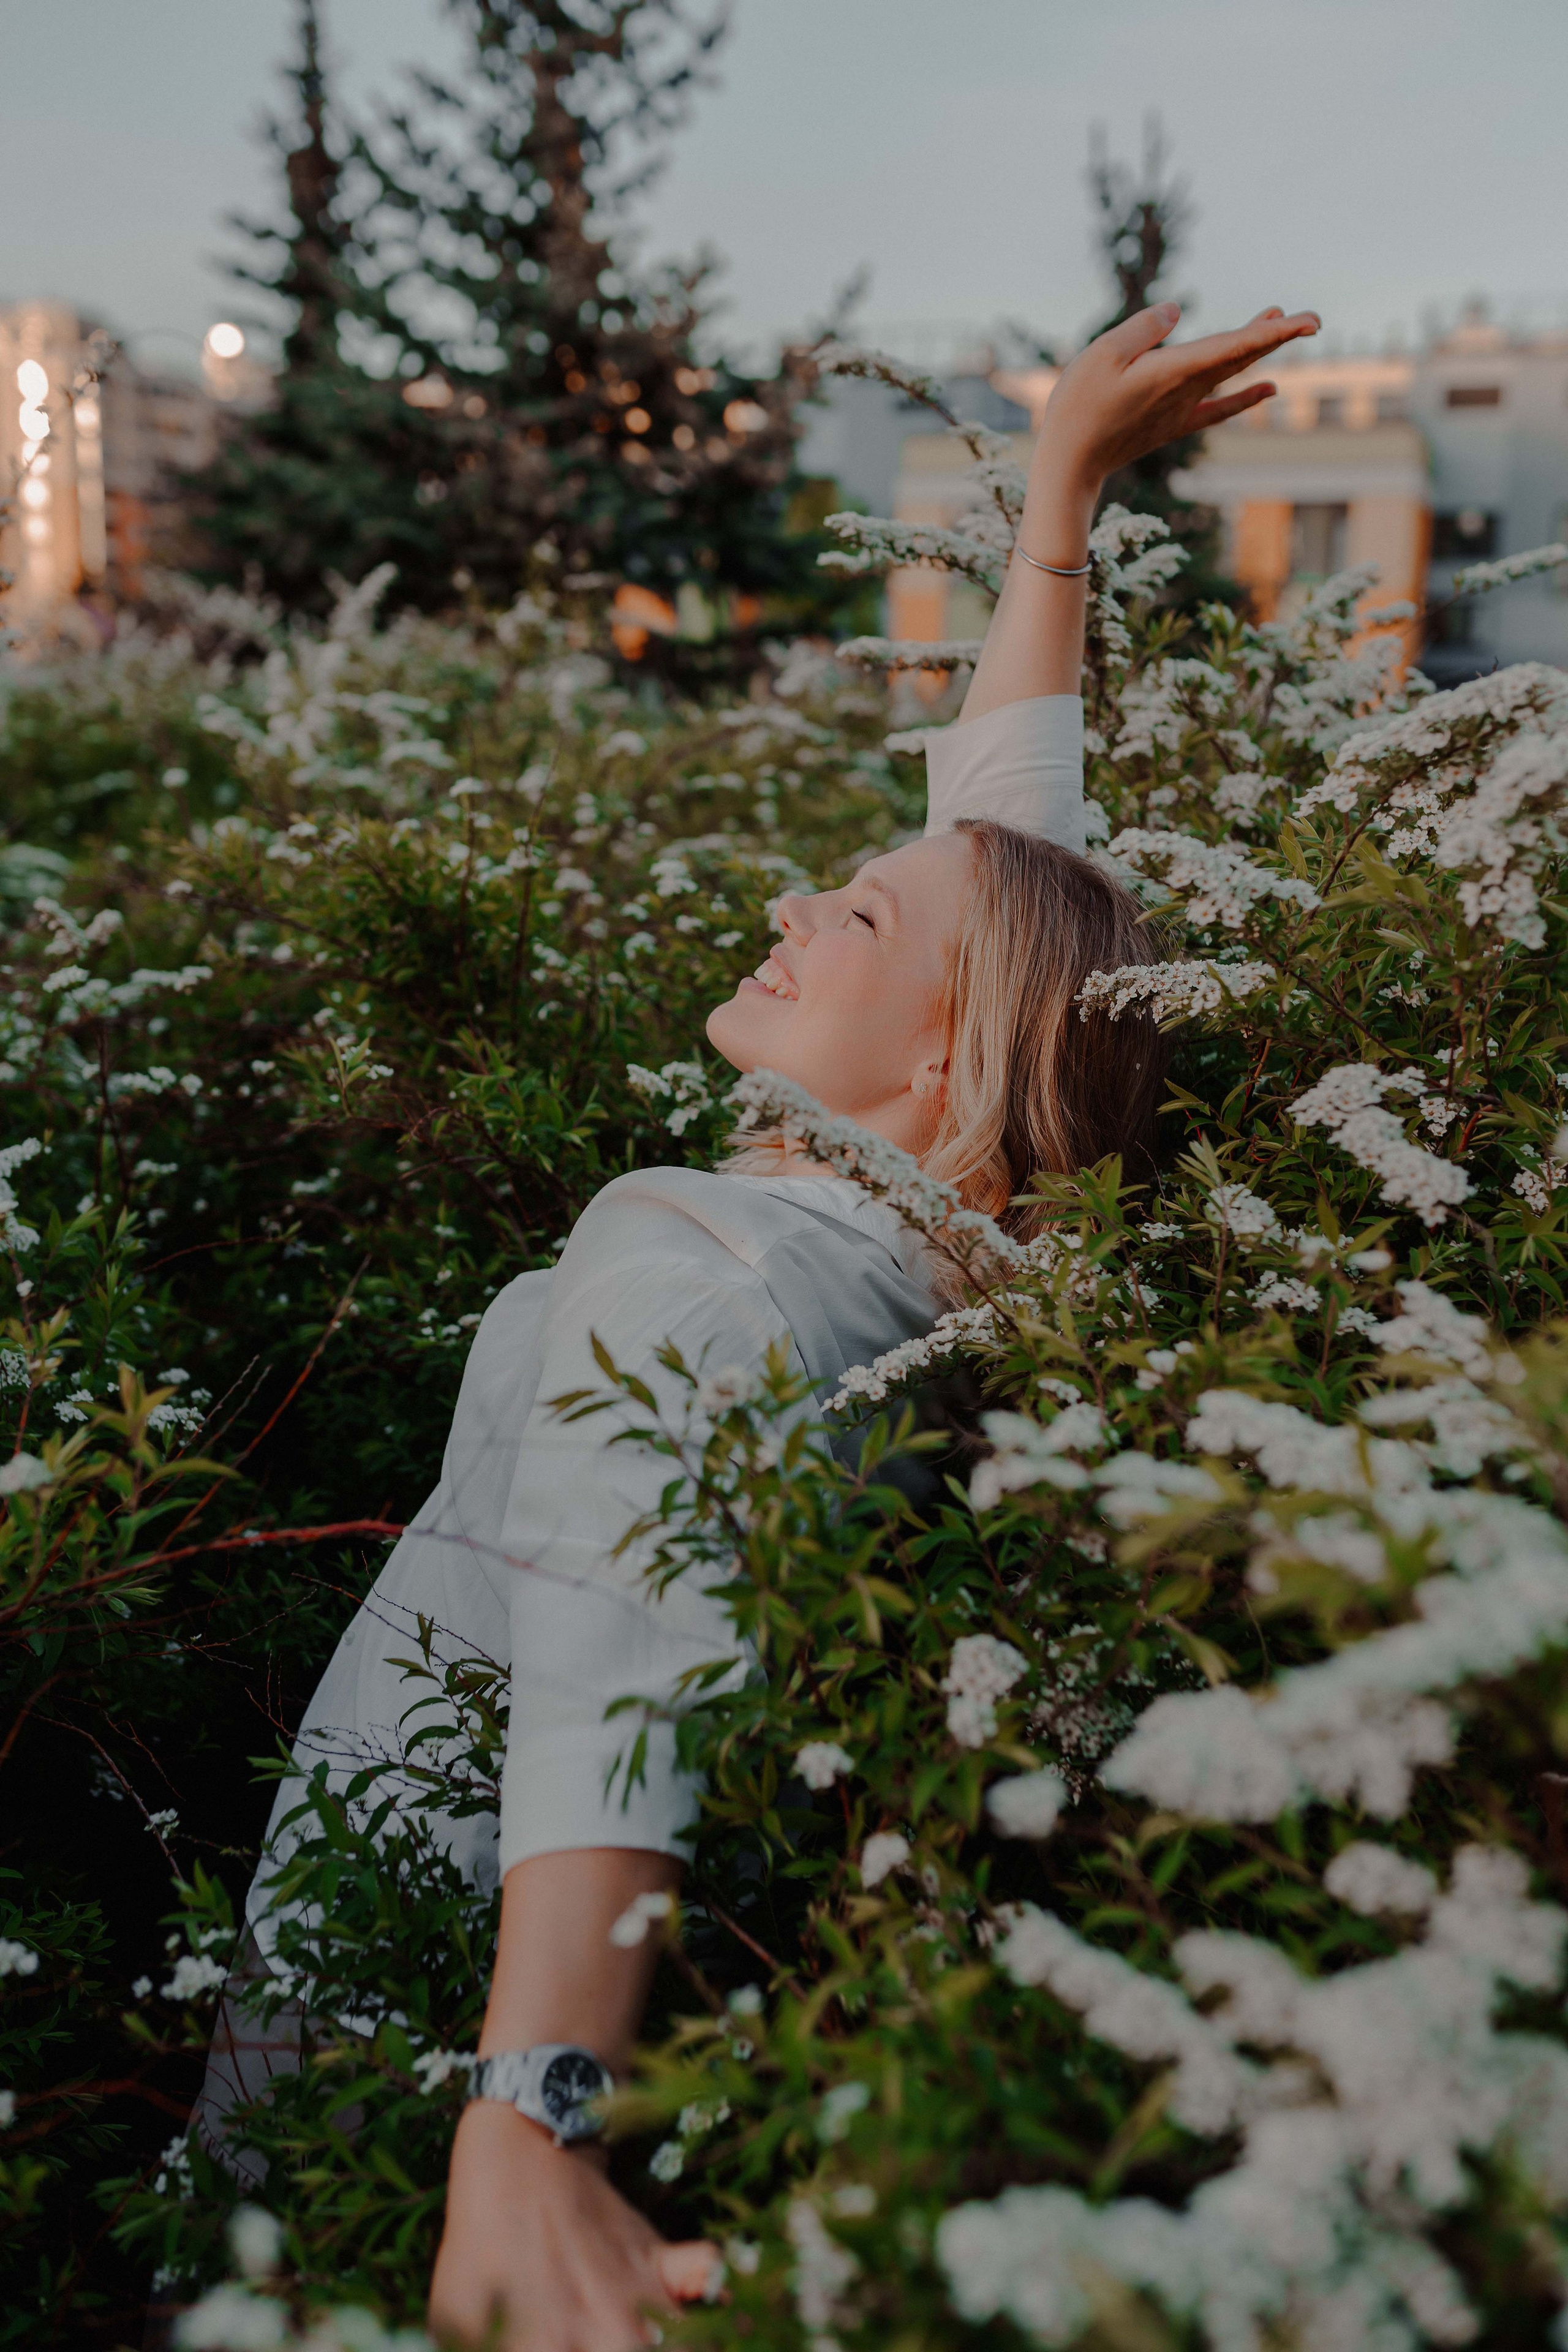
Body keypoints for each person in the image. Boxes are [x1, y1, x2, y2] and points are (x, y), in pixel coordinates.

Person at [205, 297, 1317, 2350]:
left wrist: (535, 2109)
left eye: (860, 915)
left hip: (420, 1957)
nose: (801, 907)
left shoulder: (706, 1252)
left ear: (950, 1061)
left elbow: (622, 1599)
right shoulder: (913, 1256)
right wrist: (1058, 495)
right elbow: (1017, 877)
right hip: (642, 1957)